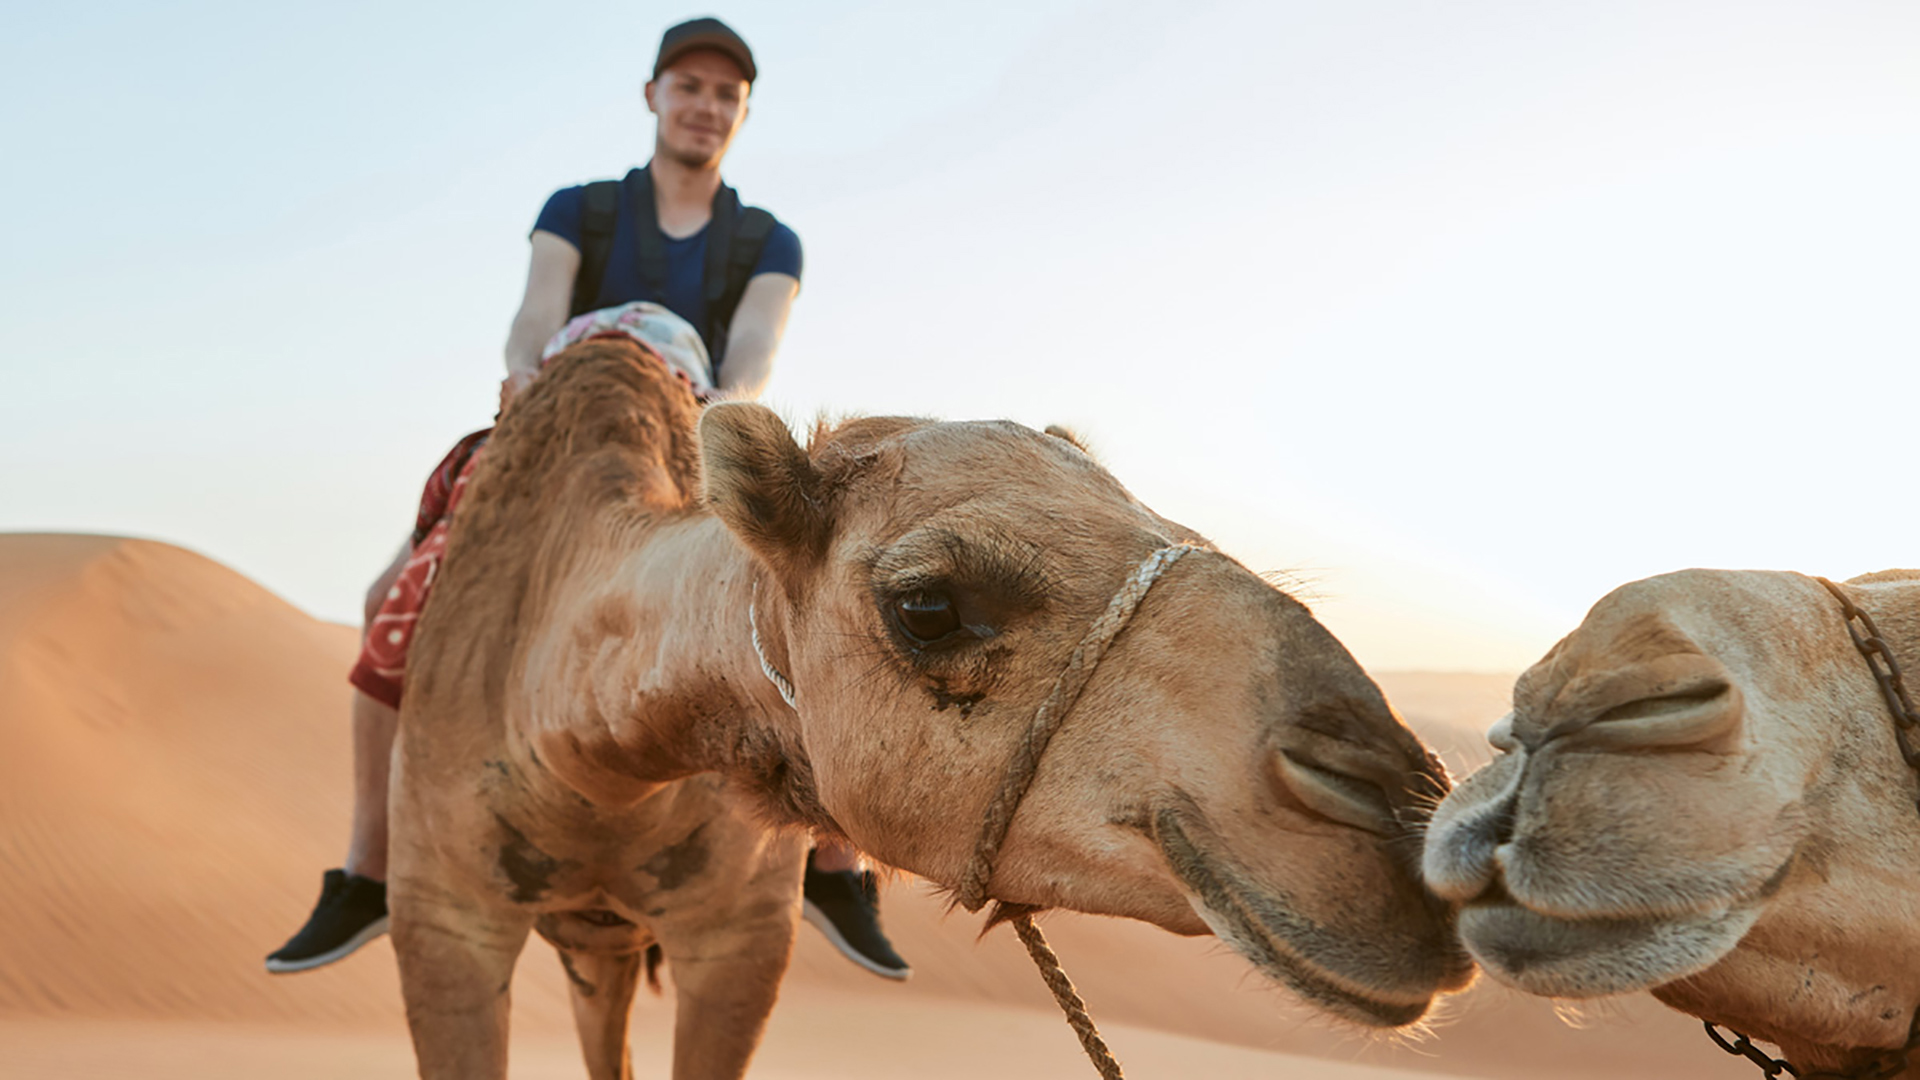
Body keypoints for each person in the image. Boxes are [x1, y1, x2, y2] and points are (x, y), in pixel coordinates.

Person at [266, 16, 909, 982]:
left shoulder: (765, 240)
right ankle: (369, 870)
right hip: (559, 434)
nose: (705, 107)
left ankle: (832, 861)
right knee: (389, 605)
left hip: (691, 433)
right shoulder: (581, 211)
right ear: (652, 96)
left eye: (724, 95)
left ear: (742, 114)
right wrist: (528, 376)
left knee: (796, 598)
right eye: (688, 87)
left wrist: (717, 423)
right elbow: (533, 317)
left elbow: (754, 360)